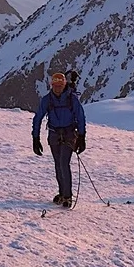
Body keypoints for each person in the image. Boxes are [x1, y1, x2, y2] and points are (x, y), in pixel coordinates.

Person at [32, 72, 86, 207]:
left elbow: (80, 117)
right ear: (52, 85)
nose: (57, 88)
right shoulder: (48, 100)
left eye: (60, 86)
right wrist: (35, 138)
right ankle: (62, 193)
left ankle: (67, 195)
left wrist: (81, 136)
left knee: (63, 163)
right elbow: (37, 118)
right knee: (58, 164)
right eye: (55, 86)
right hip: (55, 135)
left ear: (64, 85)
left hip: (67, 134)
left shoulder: (71, 99)